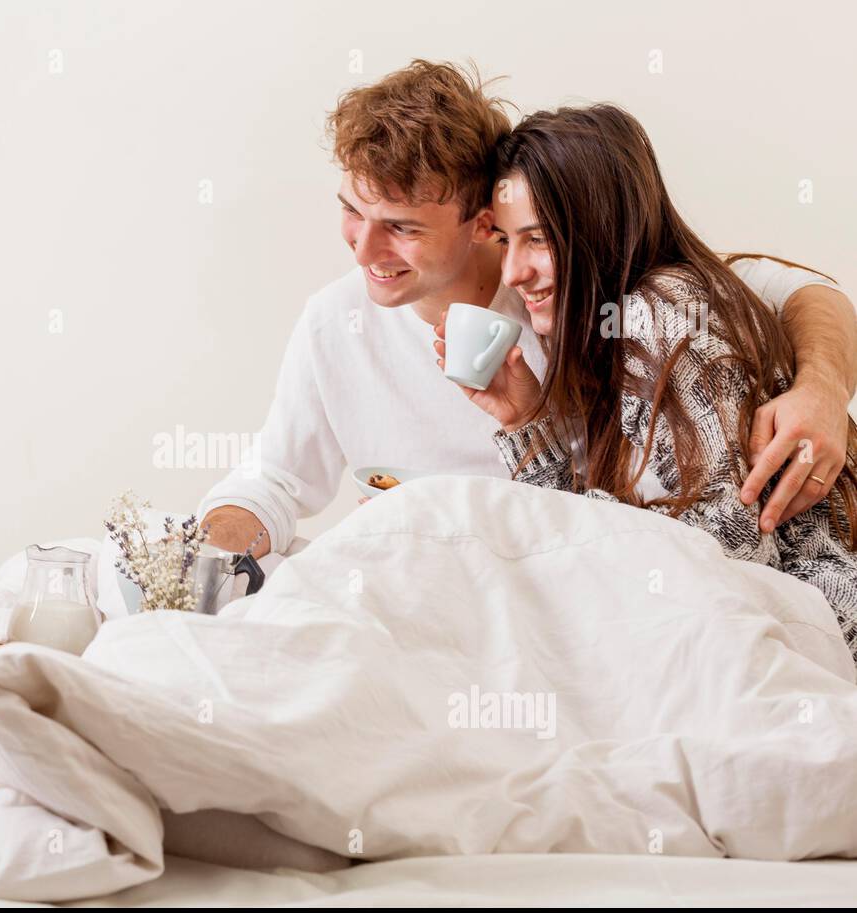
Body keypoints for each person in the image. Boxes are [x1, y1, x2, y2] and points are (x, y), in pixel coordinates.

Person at [198, 61, 857, 560]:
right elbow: (273, 478)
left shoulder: (606, 296)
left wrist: (824, 386)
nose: (364, 249)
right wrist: (210, 555)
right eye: (351, 210)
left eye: (401, 226)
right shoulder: (334, 321)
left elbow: (799, 292)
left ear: (483, 221)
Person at [436, 103, 857, 656]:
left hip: (817, 634)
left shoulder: (664, 310)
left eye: (538, 239)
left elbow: (735, 552)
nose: (514, 272)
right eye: (507, 243)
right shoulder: (611, 331)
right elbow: (594, 547)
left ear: (599, 230)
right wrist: (526, 420)